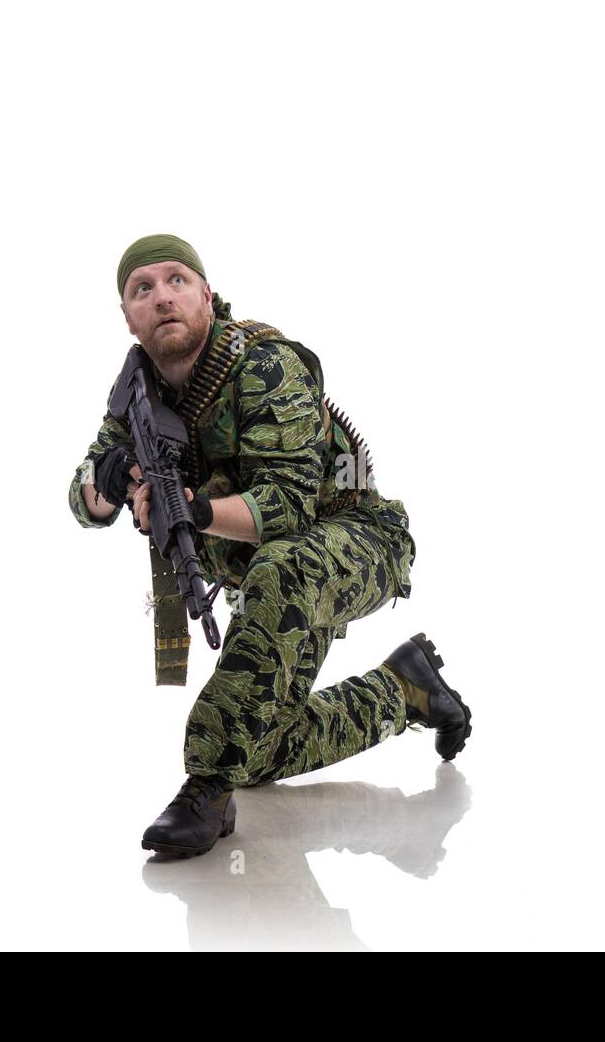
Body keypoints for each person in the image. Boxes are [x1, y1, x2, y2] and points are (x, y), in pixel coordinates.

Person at [68, 234, 473, 858]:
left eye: (176, 280)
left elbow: (285, 507)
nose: (161, 298)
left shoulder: (262, 364)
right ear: (127, 315)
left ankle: (204, 783)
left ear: (207, 293)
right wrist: (113, 481)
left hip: (357, 539)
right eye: (140, 289)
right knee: (257, 751)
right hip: (267, 574)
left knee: (282, 568)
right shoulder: (138, 390)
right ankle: (406, 690)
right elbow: (81, 499)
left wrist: (192, 508)